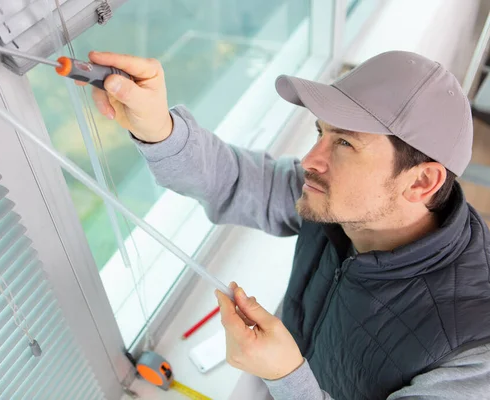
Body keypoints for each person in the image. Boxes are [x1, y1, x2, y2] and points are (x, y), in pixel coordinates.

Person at [86, 50, 490, 399]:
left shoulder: (474, 352)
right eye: (321, 132)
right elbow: (236, 180)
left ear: (421, 181)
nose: (311, 159)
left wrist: (286, 378)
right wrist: (157, 127)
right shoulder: (336, 203)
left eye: (345, 143)